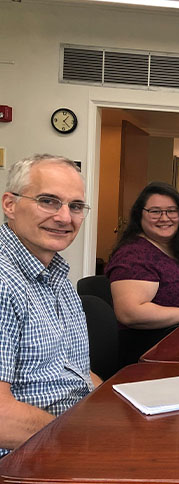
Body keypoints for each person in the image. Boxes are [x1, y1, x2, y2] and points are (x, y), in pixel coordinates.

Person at [0, 154, 99, 457]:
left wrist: (121, 410)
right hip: (23, 466)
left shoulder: (57, 275)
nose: (65, 218)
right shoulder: (4, 283)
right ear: (10, 204)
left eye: (76, 206)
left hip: (68, 436)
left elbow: (79, 374)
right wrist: (87, 443)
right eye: (48, 201)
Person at [105, 182, 179, 364]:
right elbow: (130, 312)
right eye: (155, 211)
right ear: (141, 214)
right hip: (150, 357)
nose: (164, 218)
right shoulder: (133, 255)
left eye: (171, 211)